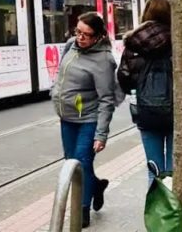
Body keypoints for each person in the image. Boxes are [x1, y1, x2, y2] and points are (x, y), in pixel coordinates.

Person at [51, 12, 118, 229]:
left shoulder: (104, 60)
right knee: (71, 162)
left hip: (89, 118)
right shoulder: (71, 45)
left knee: (82, 161)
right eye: (78, 32)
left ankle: (82, 210)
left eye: (86, 35)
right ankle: (96, 186)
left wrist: (101, 134)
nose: (80, 38)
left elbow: (107, 99)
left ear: (98, 36)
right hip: (67, 117)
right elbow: (62, 73)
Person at [118, 0, 174, 182]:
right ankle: (176, 210)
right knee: (175, 169)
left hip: (147, 111)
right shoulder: (178, 40)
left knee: (154, 168)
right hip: (176, 111)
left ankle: (156, 210)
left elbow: (124, 79)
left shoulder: (134, 44)